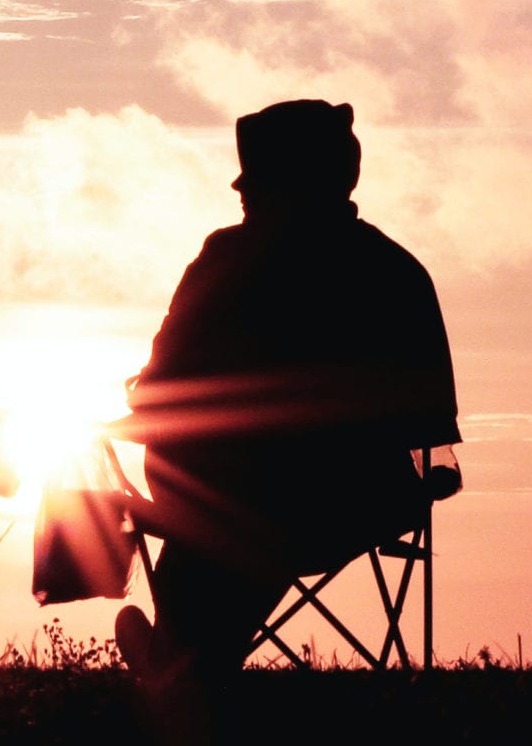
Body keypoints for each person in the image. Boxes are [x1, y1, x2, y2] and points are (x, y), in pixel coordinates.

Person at [116, 99, 461, 680]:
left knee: (227, 514)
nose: (241, 195)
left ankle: (182, 661)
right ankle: (183, 658)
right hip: (357, 504)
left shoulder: (225, 260)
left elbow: (156, 390)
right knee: (241, 513)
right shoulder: (395, 271)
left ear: (285, 184)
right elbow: (433, 425)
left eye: (254, 184)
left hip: (230, 502)